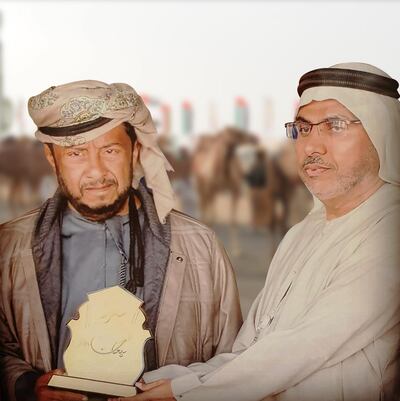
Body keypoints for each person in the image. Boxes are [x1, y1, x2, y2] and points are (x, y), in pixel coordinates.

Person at [121, 62, 400, 401]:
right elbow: (251, 352)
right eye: (304, 129)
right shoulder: (299, 235)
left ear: (382, 132)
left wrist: (184, 390)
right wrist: (161, 382)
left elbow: (304, 347)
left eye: (335, 126)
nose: (313, 146)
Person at [0, 81, 243, 401]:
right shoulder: (9, 248)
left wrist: (182, 392)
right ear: (51, 156)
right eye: (76, 153)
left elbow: (235, 364)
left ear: (135, 151)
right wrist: (27, 385)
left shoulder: (199, 247)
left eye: (110, 150)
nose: (96, 171)